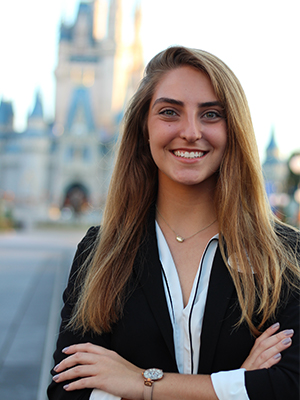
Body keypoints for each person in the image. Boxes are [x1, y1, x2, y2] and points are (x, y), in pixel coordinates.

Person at [47, 46, 300, 400]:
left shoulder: (286, 256)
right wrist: (237, 383)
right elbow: (68, 391)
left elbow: (291, 386)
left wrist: (140, 383)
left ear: (234, 130)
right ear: (143, 129)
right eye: (169, 112)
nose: (191, 131)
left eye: (211, 114)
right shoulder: (101, 253)